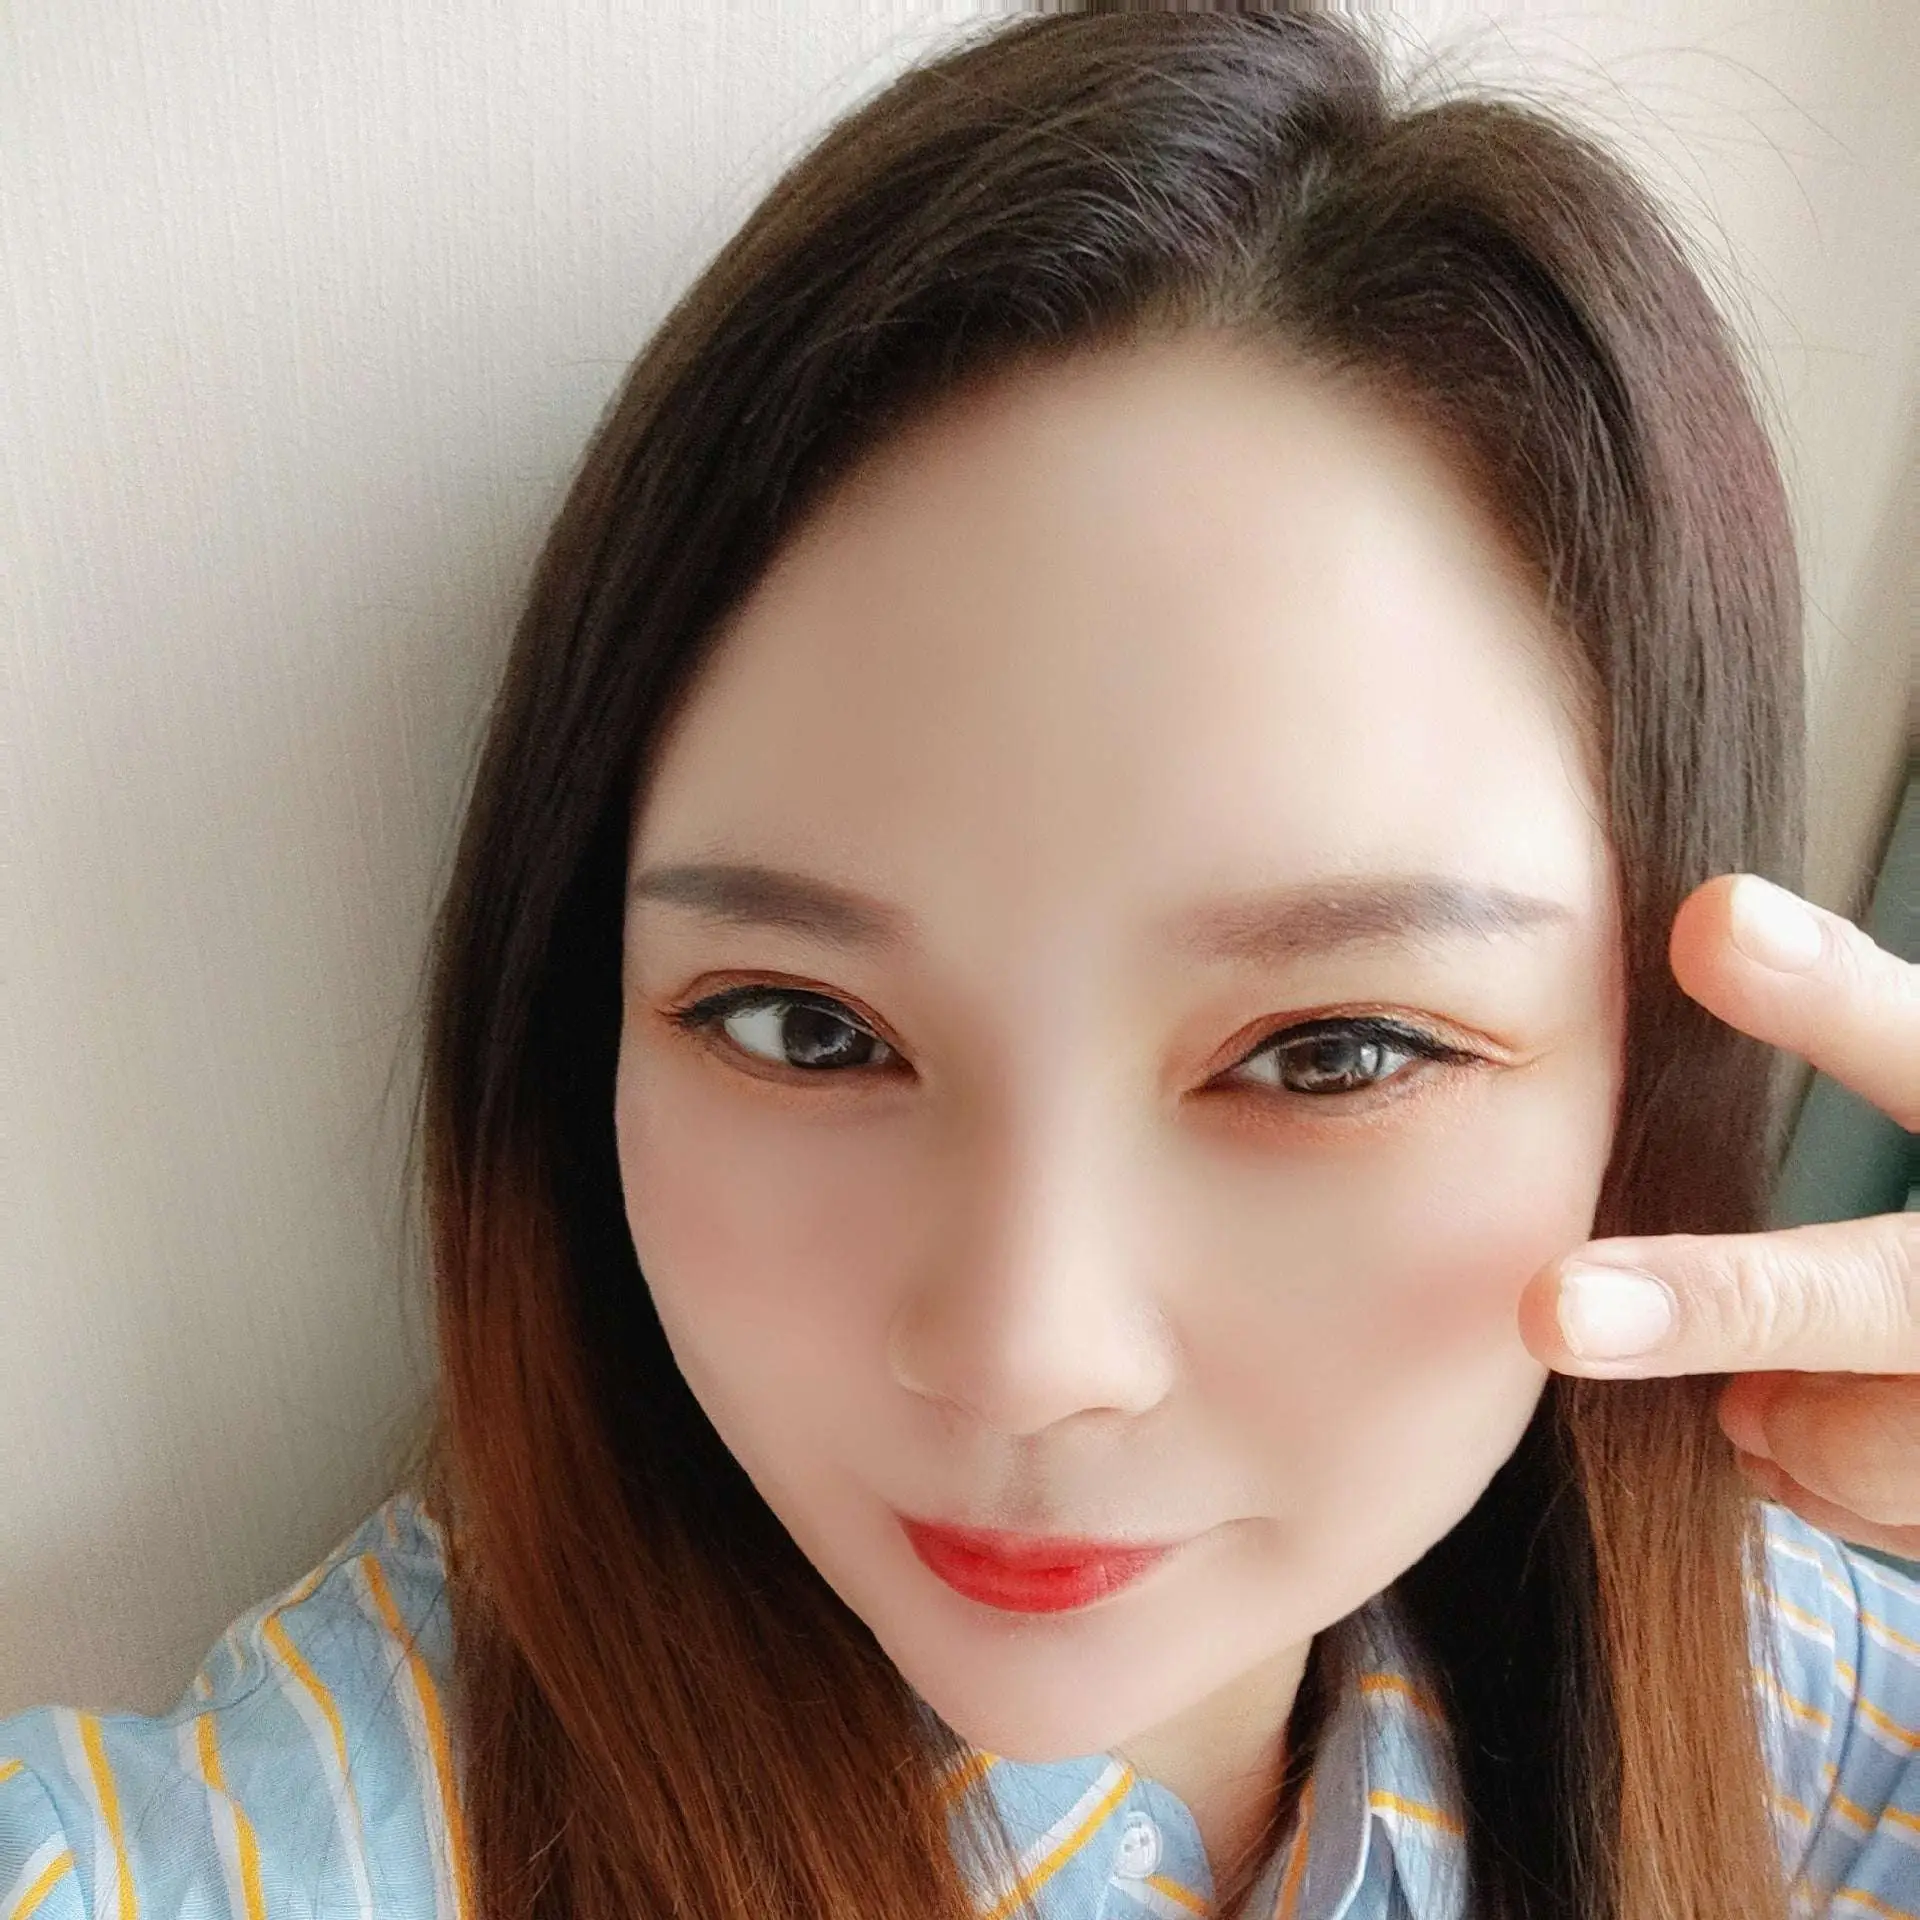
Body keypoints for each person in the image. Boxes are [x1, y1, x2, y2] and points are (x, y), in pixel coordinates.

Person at [1, 11, 1914, 1920]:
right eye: (804, 1028)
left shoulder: (1777, 1696)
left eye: (1331, 1052)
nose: (1023, 1354)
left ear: (1650, 1063)